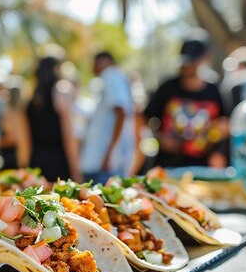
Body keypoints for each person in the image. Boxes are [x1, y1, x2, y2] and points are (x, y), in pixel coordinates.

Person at [144, 37, 229, 168]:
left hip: (203, 167)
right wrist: (160, 138)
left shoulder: (215, 91)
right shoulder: (167, 88)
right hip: (168, 165)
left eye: (193, 62)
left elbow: (226, 124)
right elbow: (146, 118)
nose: (187, 67)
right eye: (185, 62)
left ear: (205, 59)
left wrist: (219, 151)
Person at [79, 52, 135, 183]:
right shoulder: (109, 79)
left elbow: (121, 112)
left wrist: (111, 153)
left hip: (103, 165)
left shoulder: (111, 75)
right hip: (101, 163)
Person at [26, 55, 81, 182]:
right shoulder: (61, 89)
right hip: (58, 161)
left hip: (36, 162)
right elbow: (68, 133)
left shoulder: (31, 96)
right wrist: (75, 170)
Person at [0, 76, 31, 169]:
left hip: (14, 158)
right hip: (14, 157)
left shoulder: (14, 113)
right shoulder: (21, 111)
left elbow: (15, 138)